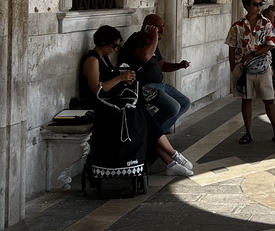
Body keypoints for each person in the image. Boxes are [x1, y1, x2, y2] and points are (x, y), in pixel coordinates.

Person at [80, 25, 194, 182]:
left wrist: (125, 78)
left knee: (143, 119)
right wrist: (120, 78)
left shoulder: (104, 58)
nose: (115, 49)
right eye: (113, 46)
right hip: (102, 107)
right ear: (102, 42)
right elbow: (96, 89)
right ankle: (172, 155)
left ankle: (171, 161)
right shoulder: (92, 60)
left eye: (117, 46)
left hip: (114, 103)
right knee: (142, 118)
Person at [225, 0, 275, 145]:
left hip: (262, 66)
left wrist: (253, 54)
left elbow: (271, 44)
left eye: (260, 4)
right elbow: (231, 47)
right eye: (255, 4)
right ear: (247, 6)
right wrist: (233, 68)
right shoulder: (237, 26)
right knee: (246, 99)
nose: (259, 7)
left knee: (269, 99)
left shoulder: (266, 23)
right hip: (243, 68)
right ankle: (248, 133)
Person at [122, 14, 191, 135]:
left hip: (159, 85)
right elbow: (145, 57)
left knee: (185, 103)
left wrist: (179, 65)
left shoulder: (152, 42)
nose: (162, 30)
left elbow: (162, 65)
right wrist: (154, 38)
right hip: (145, 87)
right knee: (173, 107)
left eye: (162, 26)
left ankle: (155, 134)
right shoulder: (136, 40)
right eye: (157, 27)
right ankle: (153, 136)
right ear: (147, 27)